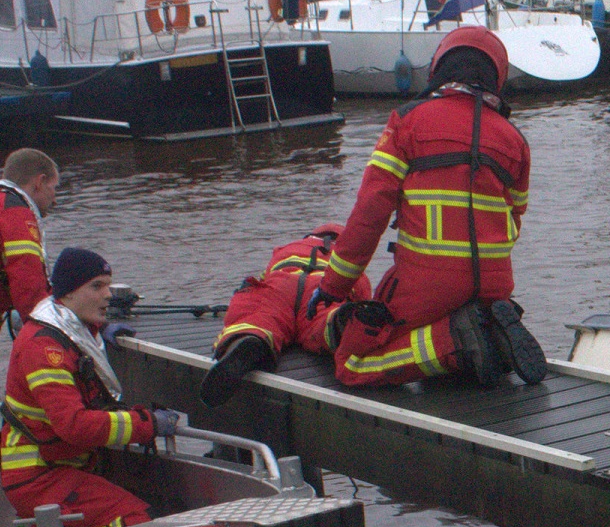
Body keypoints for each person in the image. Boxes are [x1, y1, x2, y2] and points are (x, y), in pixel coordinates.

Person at [314, 24, 547, 390]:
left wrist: (334, 285)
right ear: (496, 77)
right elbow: (514, 220)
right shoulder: (515, 141)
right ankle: (487, 334)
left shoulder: (407, 122)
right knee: (453, 350)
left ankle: (455, 339)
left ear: (440, 66)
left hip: (427, 285)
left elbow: (370, 214)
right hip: (494, 286)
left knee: (352, 363)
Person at [0, 249, 177, 527]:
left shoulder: (72, 331)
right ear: (68, 294)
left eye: (108, 285)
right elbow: (74, 426)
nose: (108, 295)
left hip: (61, 468)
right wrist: (148, 424)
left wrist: (99, 330)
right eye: (97, 286)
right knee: (135, 522)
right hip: (40, 477)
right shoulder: (45, 349)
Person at [198, 222, 371, 407]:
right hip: (322, 290)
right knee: (325, 322)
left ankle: (250, 340)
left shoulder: (287, 249)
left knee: (259, 315)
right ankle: (338, 324)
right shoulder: (347, 257)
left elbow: (265, 277)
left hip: (282, 283)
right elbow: (360, 290)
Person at [0, 148, 57, 331]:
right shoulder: (13, 212)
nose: (55, 200)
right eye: (54, 188)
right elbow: (29, 289)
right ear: (40, 181)